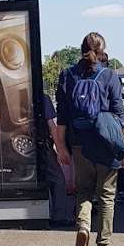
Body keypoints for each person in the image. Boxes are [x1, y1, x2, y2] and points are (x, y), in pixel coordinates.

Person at [54, 33, 124, 246]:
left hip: (79, 143)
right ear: (102, 50)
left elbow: (62, 116)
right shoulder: (109, 75)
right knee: (107, 195)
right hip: (107, 144)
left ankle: (83, 227)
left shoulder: (67, 75)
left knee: (84, 191)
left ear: (81, 49)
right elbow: (120, 116)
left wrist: (61, 146)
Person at [41, 92, 75, 226]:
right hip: (42, 146)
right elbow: (52, 126)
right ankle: (59, 216)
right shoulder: (42, 98)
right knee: (57, 179)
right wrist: (61, 149)